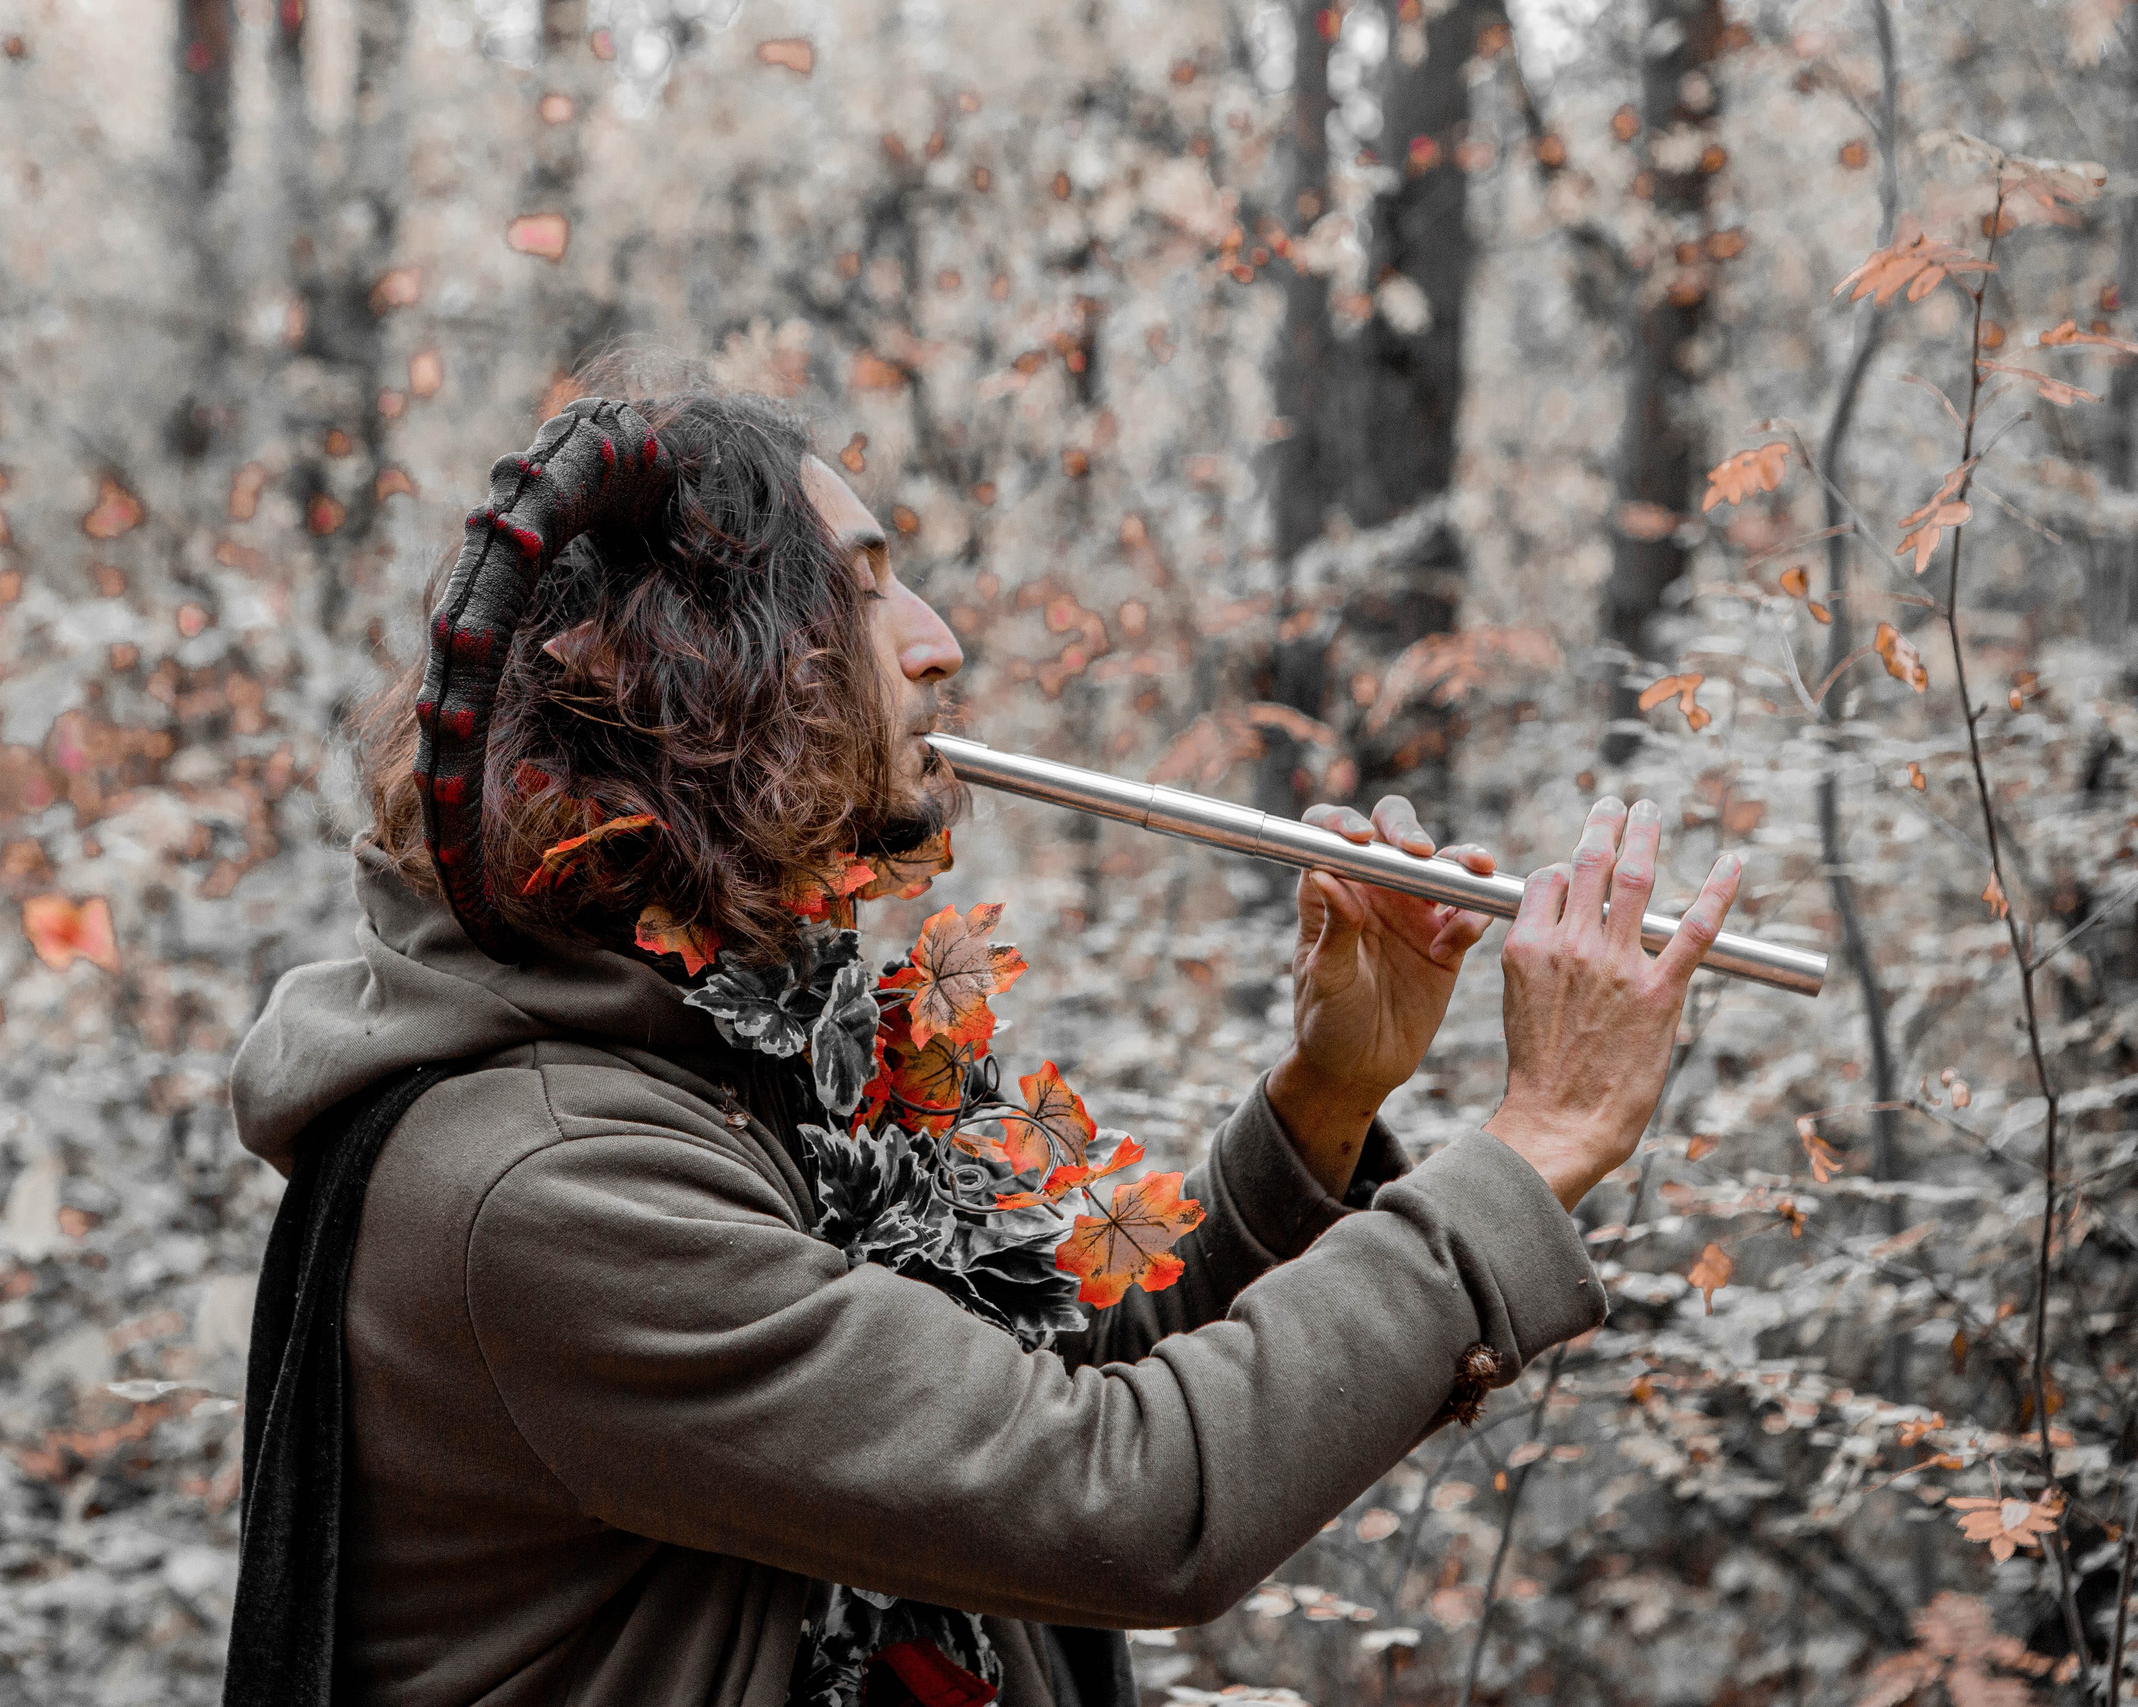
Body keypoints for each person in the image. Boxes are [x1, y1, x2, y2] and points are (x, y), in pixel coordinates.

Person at [222, 366, 1744, 1707]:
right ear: (678, 672)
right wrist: (1532, 1149)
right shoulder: (545, 1189)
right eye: (867, 592)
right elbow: (1123, 1496)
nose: (940, 643)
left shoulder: (748, 1044)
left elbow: (1048, 1380)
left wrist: (1327, 1102)